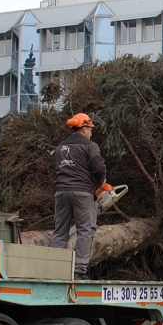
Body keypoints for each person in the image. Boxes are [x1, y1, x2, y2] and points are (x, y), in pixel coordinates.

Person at [50, 113, 107, 280]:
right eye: (90, 129)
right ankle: (79, 271)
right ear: (83, 129)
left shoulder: (60, 148)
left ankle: (56, 270)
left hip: (61, 193)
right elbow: (98, 166)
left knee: (60, 231)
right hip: (82, 193)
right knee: (85, 230)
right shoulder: (90, 146)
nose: (91, 133)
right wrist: (102, 182)